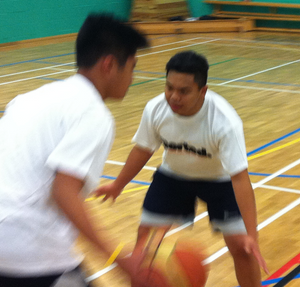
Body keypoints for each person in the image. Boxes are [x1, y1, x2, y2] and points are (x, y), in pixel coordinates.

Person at [95, 51, 269, 287]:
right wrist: (118, 184)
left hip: (219, 181)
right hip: (174, 177)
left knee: (243, 249)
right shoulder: (156, 109)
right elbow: (143, 150)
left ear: (203, 91)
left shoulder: (224, 121)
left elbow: (240, 179)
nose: (173, 96)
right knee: (145, 244)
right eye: (169, 88)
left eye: (183, 91)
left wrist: (252, 236)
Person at [0, 13, 149, 287]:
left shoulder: (30, 98)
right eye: (131, 67)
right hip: (25, 246)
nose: (132, 77)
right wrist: (118, 257)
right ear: (108, 64)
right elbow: (64, 191)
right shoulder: (94, 114)